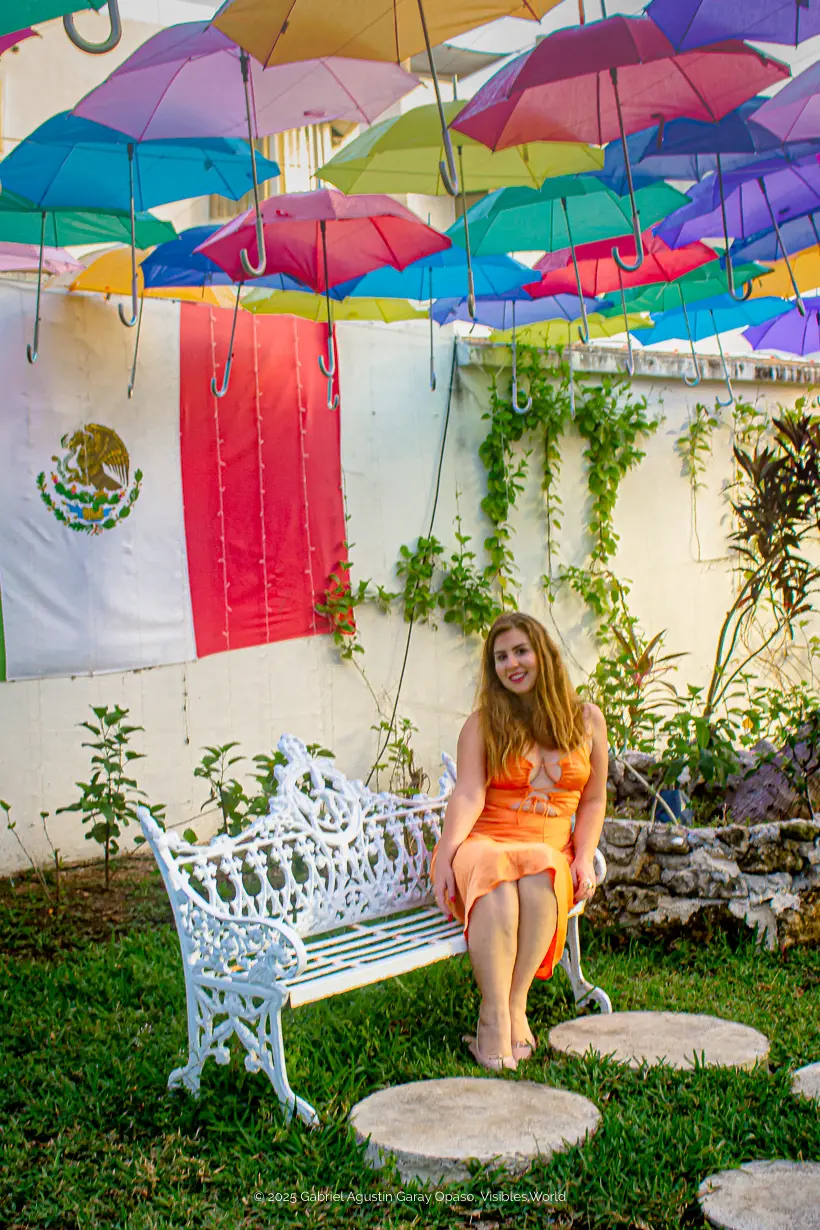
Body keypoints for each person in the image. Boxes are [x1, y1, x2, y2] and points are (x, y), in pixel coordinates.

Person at [431, 611, 608, 1072]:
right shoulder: (483, 724)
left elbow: (593, 800)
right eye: (501, 657)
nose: (511, 664)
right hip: (485, 841)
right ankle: (492, 1017)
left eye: (520, 651)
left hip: (547, 850)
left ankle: (514, 1004)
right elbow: (469, 794)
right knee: (497, 872)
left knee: (541, 869)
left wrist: (583, 858)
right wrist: (446, 854)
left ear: (543, 654)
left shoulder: (587, 721)